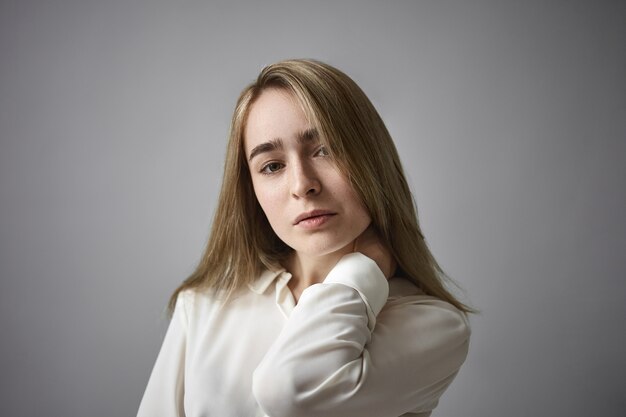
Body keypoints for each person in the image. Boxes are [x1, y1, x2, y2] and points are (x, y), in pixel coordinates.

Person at [137, 59, 472, 417]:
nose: (302, 185)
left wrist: (364, 267)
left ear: (372, 159)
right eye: (272, 166)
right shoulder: (202, 307)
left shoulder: (434, 325)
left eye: (325, 149)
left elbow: (292, 391)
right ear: (251, 190)